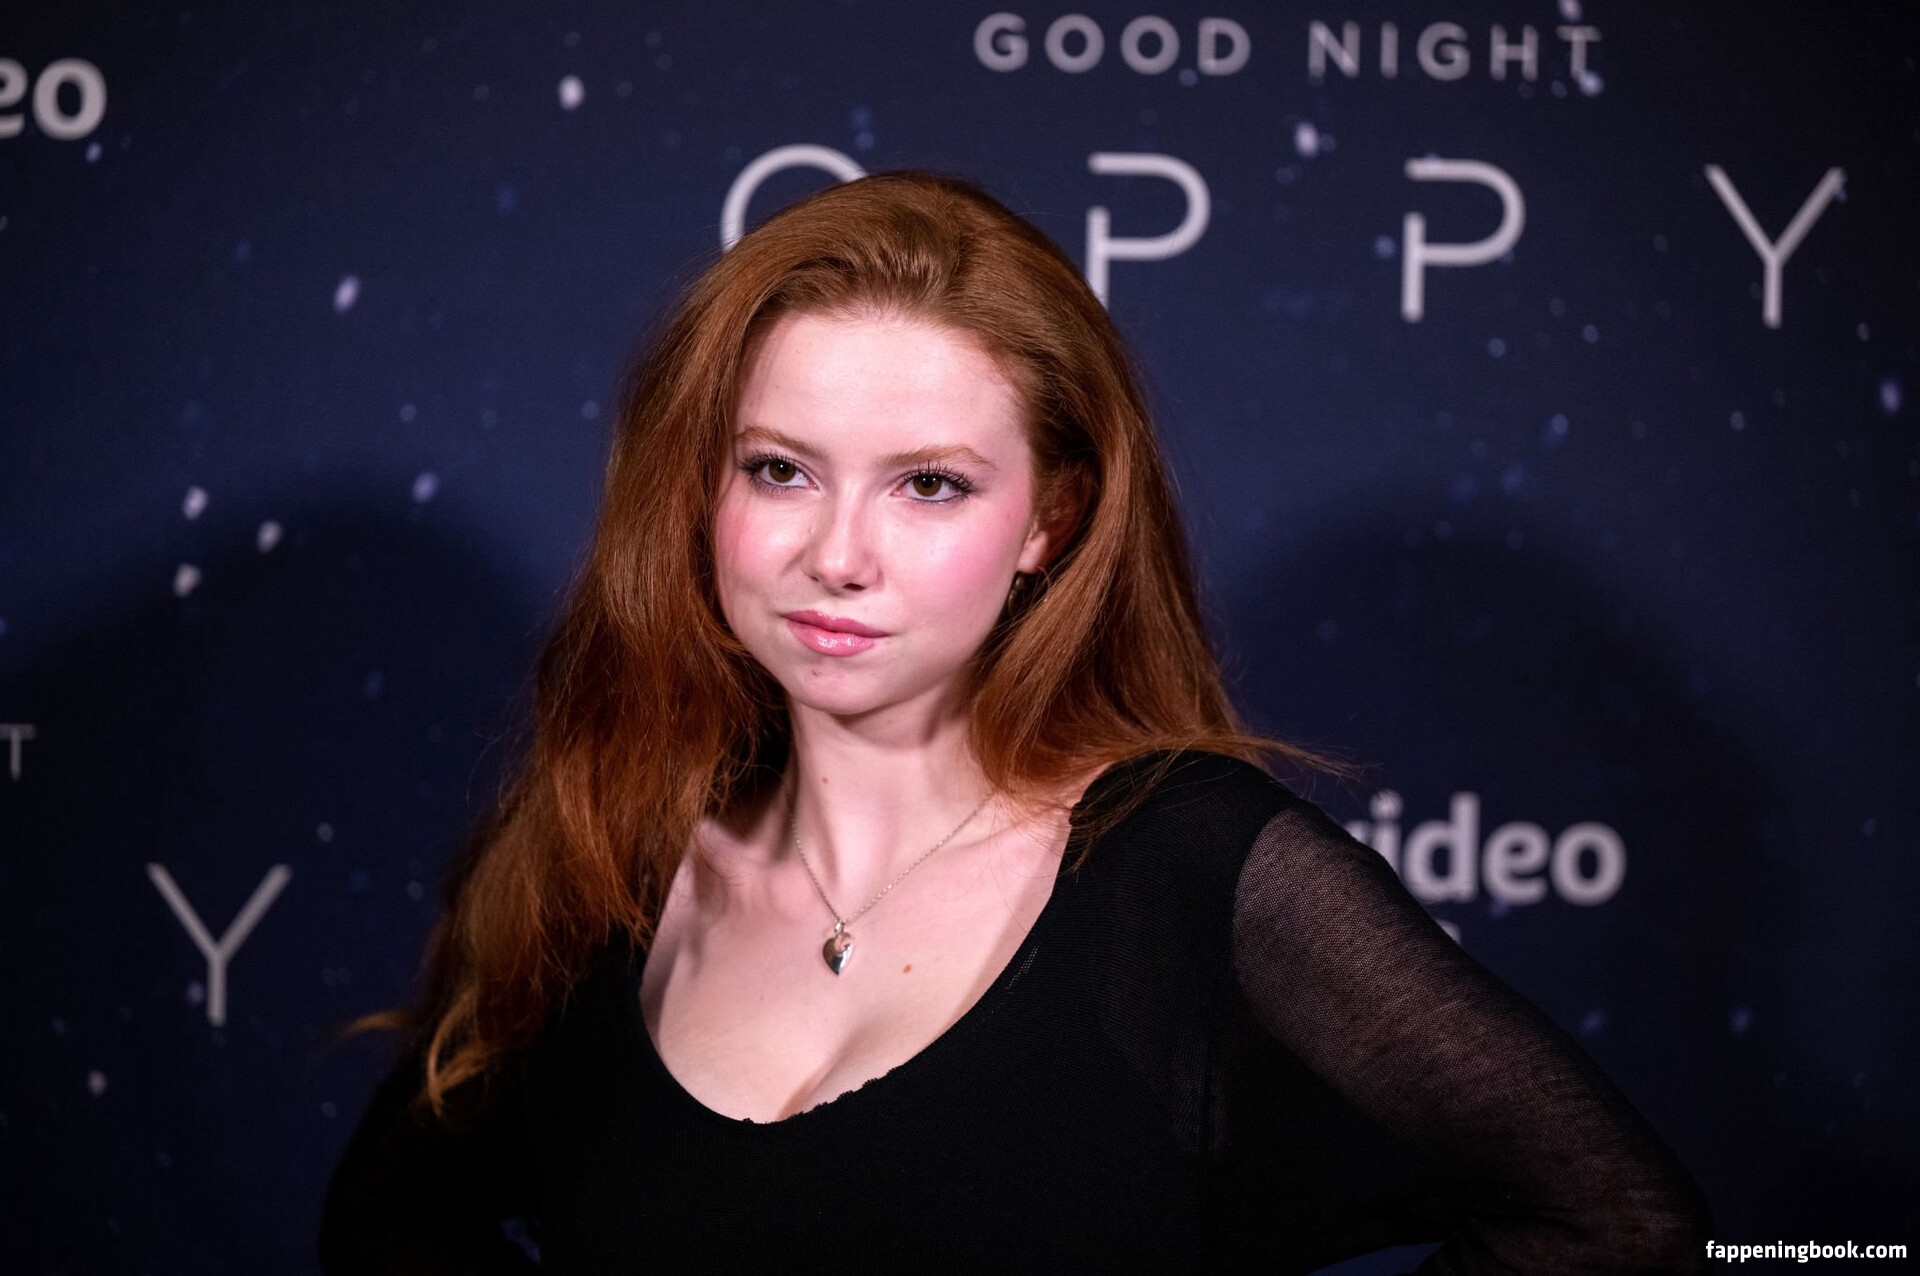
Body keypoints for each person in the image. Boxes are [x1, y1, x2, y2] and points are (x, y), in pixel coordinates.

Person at [317, 170, 1713, 1273]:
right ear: (704, 489)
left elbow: (1622, 1224)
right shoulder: (607, 856)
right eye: (781, 470)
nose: (838, 557)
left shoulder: (1189, 865)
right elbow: (387, 1226)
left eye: (929, 485)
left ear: (1051, 519)